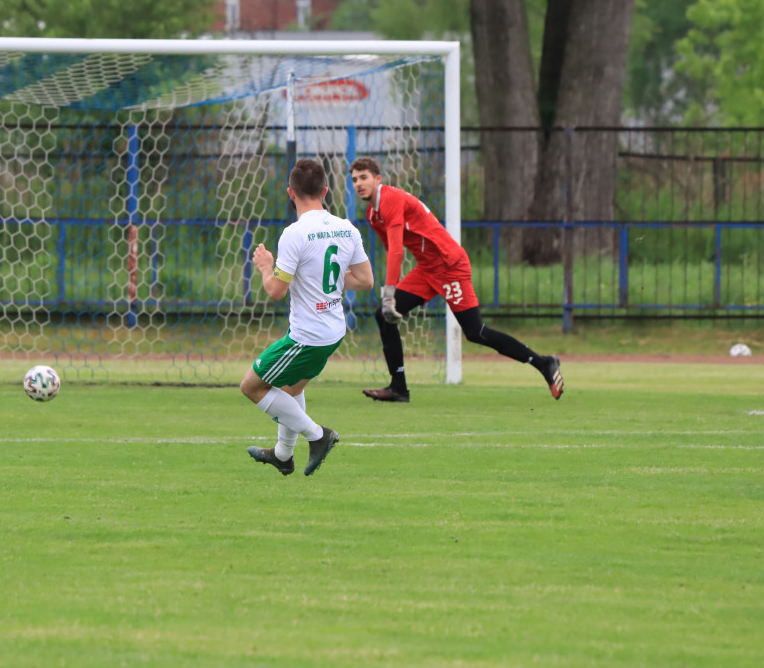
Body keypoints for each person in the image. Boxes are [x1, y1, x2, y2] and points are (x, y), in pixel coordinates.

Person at [349, 156, 563, 402]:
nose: (358, 183)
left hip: (449, 265)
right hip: (427, 269)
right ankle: (399, 388)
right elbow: (392, 249)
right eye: (354, 179)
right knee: (382, 315)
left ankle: (544, 363)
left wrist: (389, 293)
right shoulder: (373, 214)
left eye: (363, 177)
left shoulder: (390, 198)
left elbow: (398, 250)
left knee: (475, 332)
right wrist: (411, 294)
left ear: (378, 179)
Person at [241, 158, 374, 476]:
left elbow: (276, 291)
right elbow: (366, 280)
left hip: (307, 335)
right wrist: (322, 282)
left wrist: (264, 266)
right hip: (333, 328)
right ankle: (282, 455)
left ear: (291, 193)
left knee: (252, 386)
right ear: (326, 191)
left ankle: (318, 436)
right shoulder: (347, 229)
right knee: (291, 389)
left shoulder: (294, 234)